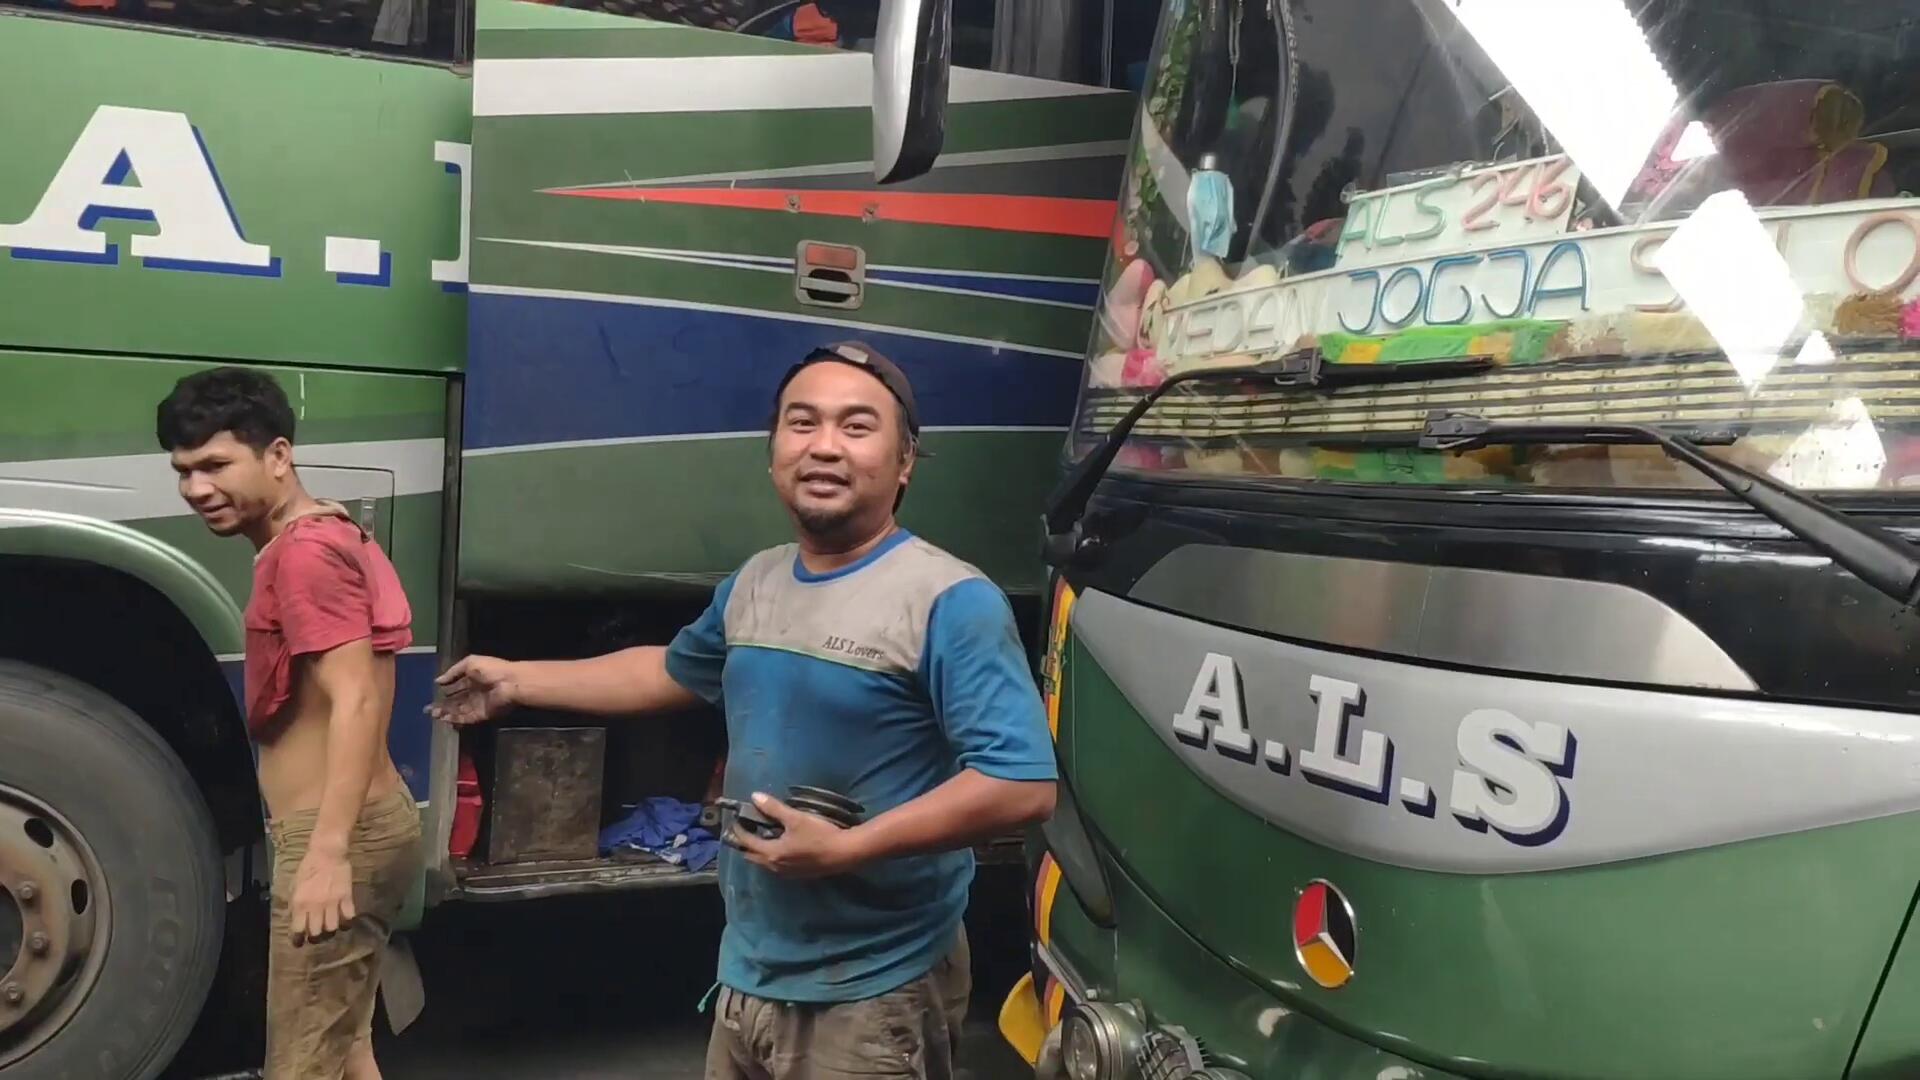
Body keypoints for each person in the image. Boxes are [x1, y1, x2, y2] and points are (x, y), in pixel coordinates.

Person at [431, 341, 1058, 1080]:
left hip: (873, 989)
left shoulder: (950, 600)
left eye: (857, 427)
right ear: (773, 454)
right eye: (802, 422)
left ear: (905, 463)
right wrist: (518, 680)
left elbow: (1021, 784)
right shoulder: (757, 581)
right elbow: (669, 671)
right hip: (749, 967)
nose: (824, 446)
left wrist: (851, 848)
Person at [157, 366, 420, 1080]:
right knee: (349, 1048)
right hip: (358, 823)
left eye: (215, 465)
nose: (196, 488)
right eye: (183, 471)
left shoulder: (304, 555)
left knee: (302, 1064)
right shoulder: (325, 531)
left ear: (278, 456)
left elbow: (356, 698)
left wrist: (326, 855)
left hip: (337, 832)